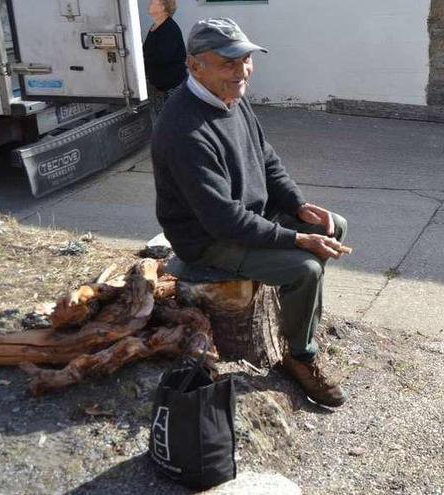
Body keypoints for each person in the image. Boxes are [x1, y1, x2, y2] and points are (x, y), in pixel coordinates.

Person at [151, 18, 350, 408]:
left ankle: (298, 320)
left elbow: (267, 158)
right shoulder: (184, 130)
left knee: (333, 225)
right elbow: (222, 219)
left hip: (244, 217)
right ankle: (299, 356)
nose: (242, 71)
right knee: (304, 268)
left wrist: (296, 205)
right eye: (228, 63)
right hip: (208, 240)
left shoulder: (230, 98)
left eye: (245, 60)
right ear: (194, 66)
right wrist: (295, 238)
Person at [143, 0, 187, 118]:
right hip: (159, 85)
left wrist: (143, 60)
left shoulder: (170, 28)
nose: (149, 4)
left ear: (163, 7)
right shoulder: (155, 26)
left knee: (172, 119)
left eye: (153, 2)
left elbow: (163, 57)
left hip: (172, 86)